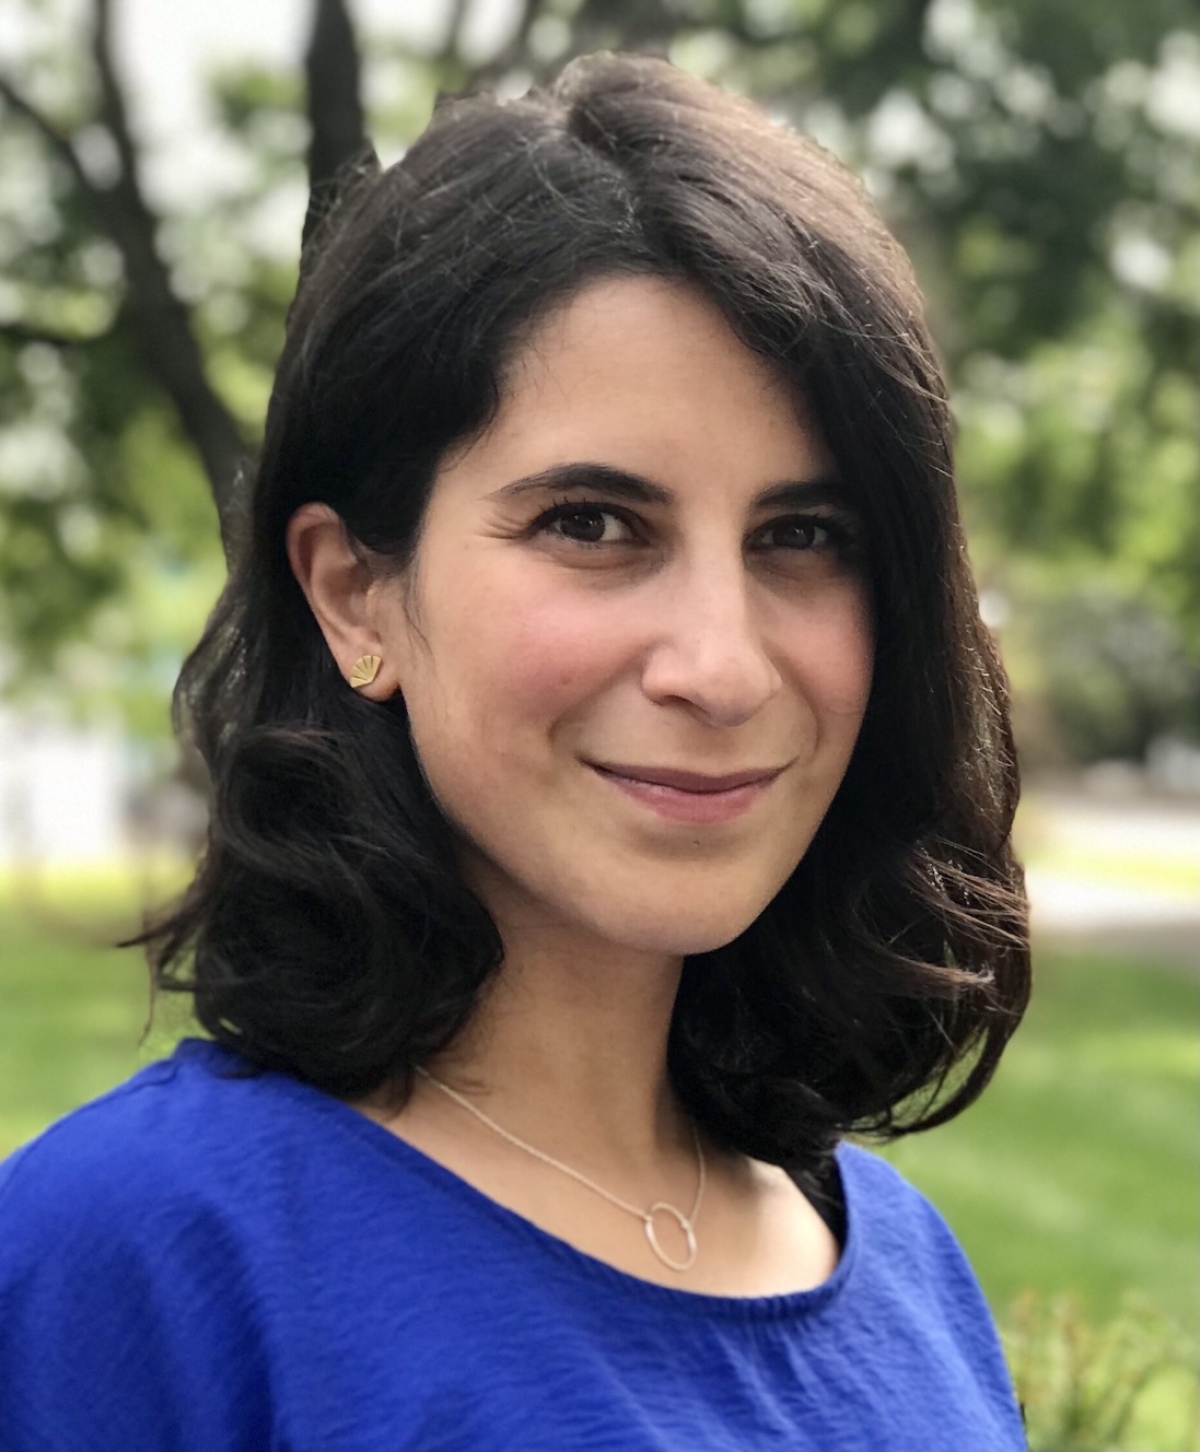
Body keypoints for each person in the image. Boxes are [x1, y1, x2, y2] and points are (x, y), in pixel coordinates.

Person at [0, 52, 1031, 1452]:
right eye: (595, 524)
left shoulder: (907, 1270)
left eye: (805, 537)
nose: (721, 667)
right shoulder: (135, 1264)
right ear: (355, 593)